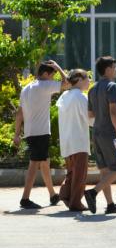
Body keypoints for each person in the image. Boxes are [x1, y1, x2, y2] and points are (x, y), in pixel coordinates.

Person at [13, 60, 68, 209]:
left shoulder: (26, 88)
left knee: (44, 162)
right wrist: (59, 68)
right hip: (41, 132)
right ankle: (25, 198)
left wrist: (17, 134)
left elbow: (19, 114)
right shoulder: (45, 85)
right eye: (52, 74)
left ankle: (52, 195)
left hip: (31, 132)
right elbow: (67, 84)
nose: (52, 79)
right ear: (45, 73)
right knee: (34, 164)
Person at [84, 56, 116, 215]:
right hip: (110, 133)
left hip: (97, 132)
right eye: (114, 67)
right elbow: (114, 112)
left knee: (105, 170)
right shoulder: (112, 87)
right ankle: (93, 192)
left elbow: (90, 113)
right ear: (108, 69)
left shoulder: (92, 89)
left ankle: (110, 205)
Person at [56, 69, 91, 211]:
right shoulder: (81, 97)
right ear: (79, 80)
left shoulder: (65, 95)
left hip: (67, 140)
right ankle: (75, 202)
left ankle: (66, 195)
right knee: (80, 174)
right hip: (79, 141)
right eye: (87, 78)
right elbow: (90, 118)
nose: (89, 81)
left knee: (72, 172)